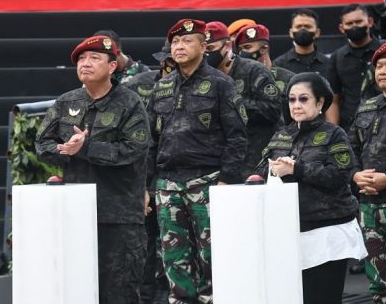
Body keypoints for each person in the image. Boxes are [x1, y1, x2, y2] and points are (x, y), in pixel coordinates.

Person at [35, 35, 149, 304]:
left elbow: (134, 150)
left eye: (94, 58)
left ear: (112, 66)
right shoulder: (66, 102)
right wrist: (66, 149)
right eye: (82, 59)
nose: (85, 64)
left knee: (119, 292)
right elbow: (42, 144)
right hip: (76, 214)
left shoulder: (130, 103)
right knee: (77, 291)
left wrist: (86, 149)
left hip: (118, 217)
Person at [147, 18, 247, 303]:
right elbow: (151, 142)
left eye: (187, 41)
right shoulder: (162, 87)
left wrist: (228, 179)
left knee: (213, 256)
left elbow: (237, 137)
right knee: (173, 258)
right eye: (175, 42)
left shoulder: (222, 85)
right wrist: (148, 184)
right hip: (167, 185)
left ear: (204, 47)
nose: (179, 46)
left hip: (209, 181)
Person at [255, 72, 367, 304]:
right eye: (292, 99)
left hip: (327, 232)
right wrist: (267, 173)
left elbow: (339, 176)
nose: (296, 105)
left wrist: (297, 169)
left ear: (320, 102)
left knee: (323, 297)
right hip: (289, 231)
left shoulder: (335, 134)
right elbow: (262, 170)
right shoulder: (282, 134)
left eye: (304, 99)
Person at [349, 40, 386, 303]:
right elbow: (348, 147)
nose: (382, 71)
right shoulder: (367, 105)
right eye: (379, 66)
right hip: (370, 205)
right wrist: (355, 174)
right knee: (380, 283)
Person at [125, 40, 175, 304]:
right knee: (142, 250)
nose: (168, 66)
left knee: (174, 253)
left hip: (177, 177)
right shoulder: (138, 86)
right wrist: (142, 185)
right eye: (166, 61)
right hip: (142, 176)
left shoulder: (199, 87)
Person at [204, 21, 280, 179]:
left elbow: (273, 110)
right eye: (205, 50)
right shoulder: (205, 77)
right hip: (220, 162)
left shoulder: (253, 70)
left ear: (227, 46)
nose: (208, 55)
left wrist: (235, 103)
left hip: (256, 159)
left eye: (211, 49)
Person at [274, 8, 340, 124]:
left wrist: (332, 131)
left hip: (322, 128)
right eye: (299, 26)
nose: (303, 30)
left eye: (308, 26)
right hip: (289, 129)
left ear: (317, 32)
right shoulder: (279, 64)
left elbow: (333, 101)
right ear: (291, 32)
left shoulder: (329, 63)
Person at [331, 3, 383, 130]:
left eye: (358, 21)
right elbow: (334, 100)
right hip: (350, 126)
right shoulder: (336, 57)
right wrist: (333, 131)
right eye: (349, 23)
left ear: (370, 22)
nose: (354, 26)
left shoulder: (385, 51)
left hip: (384, 123)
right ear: (342, 28)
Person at [235, 23, 295, 123]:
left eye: (247, 47)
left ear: (263, 49)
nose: (243, 53)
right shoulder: (236, 80)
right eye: (240, 49)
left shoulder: (289, 79)